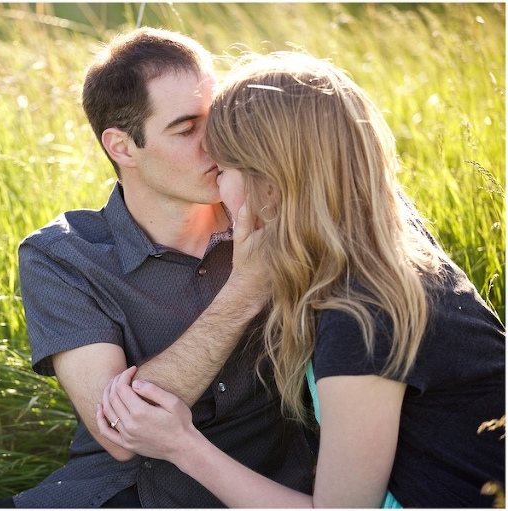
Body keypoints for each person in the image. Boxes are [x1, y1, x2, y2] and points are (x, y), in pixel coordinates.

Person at [96, 51, 506, 508]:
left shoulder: (363, 312)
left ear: (270, 182)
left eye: (224, 170)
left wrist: (182, 446)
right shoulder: (381, 254)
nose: (218, 188)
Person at [0, 29, 314, 507]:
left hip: (269, 488)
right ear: (121, 147)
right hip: (120, 493)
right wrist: (245, 291)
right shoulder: (63, 257)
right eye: (186, 130)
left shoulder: (275, 215)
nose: (218, 144)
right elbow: (119, 432)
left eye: (216, 119)